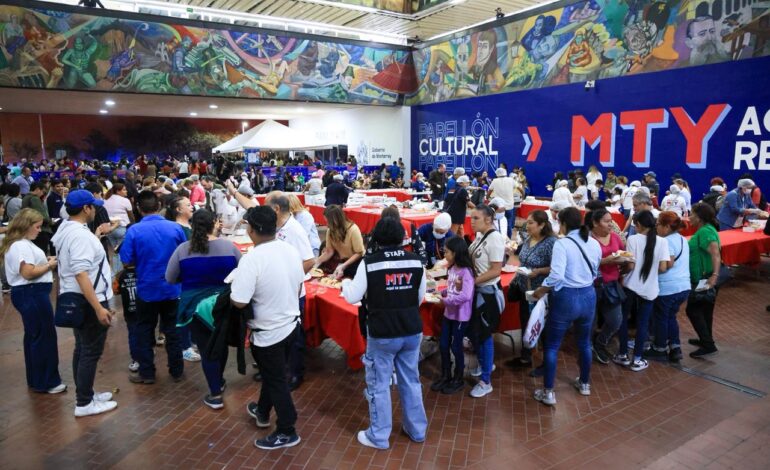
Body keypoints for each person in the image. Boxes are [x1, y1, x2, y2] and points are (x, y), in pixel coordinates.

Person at [341, 216, 427, 449]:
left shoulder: (369, 263)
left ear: (376, 236)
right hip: (411, 329)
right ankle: (417, 430)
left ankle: (379, 436)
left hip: (382, 333)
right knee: (411, 380)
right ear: (402, 237)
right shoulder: (416, 262)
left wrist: (345, 283)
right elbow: (420, 298)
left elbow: (352, 297)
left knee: (379, 384)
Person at [233, 207, 304, 450]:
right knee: (274, 374)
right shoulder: (290, 250)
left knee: (276, 380)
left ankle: (287, 429)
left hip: (268, 331)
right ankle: (263, 411)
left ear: (251, 229)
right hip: (291, 324)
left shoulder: (252, 258)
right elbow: (299, 288)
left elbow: (240, 300)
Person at [165, 210, 241, 409]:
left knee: (207, 349)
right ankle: (220, 379)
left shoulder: (183, 249)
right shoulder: (229, 247)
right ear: (215, 223)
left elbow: (170, 278)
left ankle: (215, 393)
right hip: (224, 305)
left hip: (195, 308)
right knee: (221, 344)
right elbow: (242, 274)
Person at [51, 190, 118, 417]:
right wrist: (99, 307)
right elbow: (81, 273)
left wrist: (96, 236)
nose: (96, 210)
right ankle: (84, 402)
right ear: (86, 209)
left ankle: (86, 393)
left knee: (82, 349)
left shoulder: (67, 229)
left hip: (78, 298)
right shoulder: (79, 235)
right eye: (93, 206)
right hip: (89, 300)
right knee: (90, 351)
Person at [530, 207, 600, 406]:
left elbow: (556, 275)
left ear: (563, 223)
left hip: (566, 297)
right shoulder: (593, 243)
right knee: (585, 343)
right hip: (588, 295)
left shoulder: (563, 244)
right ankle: (585, 383)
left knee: (552, 345)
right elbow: (595, 271)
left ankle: (549, 392)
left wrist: (541, 290)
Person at [120, 190, 187, 384]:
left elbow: (126, 260)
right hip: (173, 288)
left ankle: (147, 373)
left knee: (144, 331)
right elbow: (184, 253)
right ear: (159, 206)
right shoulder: (175, 228)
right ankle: (176, 370)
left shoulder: (134, 231)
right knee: (173, 330)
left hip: (147, 289)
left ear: (139, 209)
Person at [0, 209, 64, 393]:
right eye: (36, 227)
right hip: (32, 293)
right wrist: (50, 265)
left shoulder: (20, 244)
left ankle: (37, 379)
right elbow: (28, 273)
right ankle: (48, 381)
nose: (39, 230)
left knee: (34, 336)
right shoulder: (21, 246)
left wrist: (45, 262)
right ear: (26, 226)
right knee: (44, 336)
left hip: (29, 293)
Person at [265, 192, 316, 392]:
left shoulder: (294, 230)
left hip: (293, 293)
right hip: (279, 292)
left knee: (294, 336)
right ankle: (279, 369)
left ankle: (296, 373)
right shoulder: (278, 227)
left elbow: (309, 260)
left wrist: (291, 279)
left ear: (277, 209)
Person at [613, 210, 670, 372]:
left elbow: (630, 265)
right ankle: (637, 359)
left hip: (630, 286)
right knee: (643, 323)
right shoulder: (662, 242)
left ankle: (623, 354)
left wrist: (621, 271)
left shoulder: (632, 239)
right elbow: (663, 267)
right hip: (650, 288)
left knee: (623, 320)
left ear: (637, 224)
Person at [507, 210, 556, 370]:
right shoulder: (528, 238)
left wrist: (539, 271)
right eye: (527, 222)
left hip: (539, 291)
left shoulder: (551, 242)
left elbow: (556, 268)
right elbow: (522, 257)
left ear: (542, 225)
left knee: (540, 324)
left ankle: (546, 362)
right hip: (524, 288)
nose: (526, 225)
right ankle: (526, 354)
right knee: (525, 321)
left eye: (530, 223)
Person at [467, 205, 505, 398]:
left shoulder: (495, 239)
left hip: (487, 293)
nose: (471, 222)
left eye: (475, 218)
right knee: (476, 333)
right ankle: (484, 363)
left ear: (488, 219)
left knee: (485, 335)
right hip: (477, 291)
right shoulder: (481, 236)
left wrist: (470, 282)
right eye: (471, 218)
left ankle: (486, 380)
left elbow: (496, 270)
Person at [430, 236, 475, 395]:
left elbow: (465, 296)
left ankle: (458, 377)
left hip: (460, 317)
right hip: (448, 314)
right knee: (443, 344)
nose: (444, 254)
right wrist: (439, 293)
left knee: (456, 347)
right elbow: (450, 288)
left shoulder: (466, 272)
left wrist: (445, 301)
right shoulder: (452, 269)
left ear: (456, 253)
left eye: (447, 252)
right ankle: (446, 374)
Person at [645, 211, 691, 363]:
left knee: (661, 318)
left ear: (666, 226)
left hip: (668, 288)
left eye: (658, 224)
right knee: (671, 316)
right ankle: (675, 347)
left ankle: (659, 348)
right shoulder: (682, 239)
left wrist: (648, 270)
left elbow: (668, 264)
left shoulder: (667, 241)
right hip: (683, 286)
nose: (656, 227)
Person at [586, 208, 627, 364]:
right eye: (606, 221)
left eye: (611, 221)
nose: (611, 224)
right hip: (592, 285)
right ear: (595, 223)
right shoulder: (588, 240)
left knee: (615, 320)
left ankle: (600, 343)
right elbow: (585, 263)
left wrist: (625, 263)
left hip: (611, 285)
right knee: (591, 319)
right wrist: (606, 261)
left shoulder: (616, 238)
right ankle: (588, 346)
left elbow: (623, 254)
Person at [686, 203, 722, 358]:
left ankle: (707, 344)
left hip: (704, 279)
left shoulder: (705, 232)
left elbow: (715, 254)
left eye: (692, 214)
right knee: (705, 310)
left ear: (699, 217)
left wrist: (714, 275)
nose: (689, 217)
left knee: (693, 309)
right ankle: (706, 339)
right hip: (704, 277)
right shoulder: (704, 230)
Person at [315, 205, 365, 279]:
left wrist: (343, 265)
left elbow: (359, 253)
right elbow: (329, 251)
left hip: (355, 262)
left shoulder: (353, 229)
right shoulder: (330, 231)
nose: (327, 225)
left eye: (328, 222)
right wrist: (315, 262)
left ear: (336, 220)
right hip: (341, 261)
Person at [21, 182, 52, 254]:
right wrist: (51, 221)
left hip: (29, 228)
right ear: (38, 189)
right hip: (40, 230)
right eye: (43, 191)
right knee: (41, 253)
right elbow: (43, 216)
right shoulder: (35, 199)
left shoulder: (25, 197)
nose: (43, 194)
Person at [488, 168, 515, 238]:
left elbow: (490, 190)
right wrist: (523, 195)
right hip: (509, 206)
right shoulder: (511, 180)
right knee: (508, 224)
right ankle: (509, 240)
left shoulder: (495, 181)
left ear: (497, 174)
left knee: (498, 224)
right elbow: (520, 188)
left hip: (499, 207)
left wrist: (487, 198)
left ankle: (499, 238)